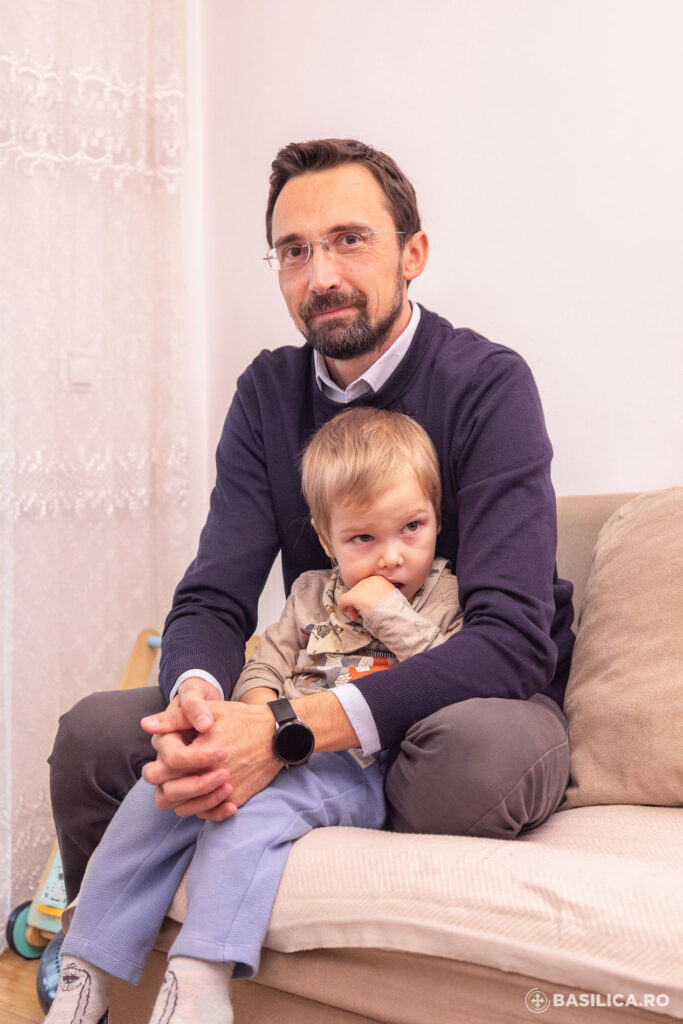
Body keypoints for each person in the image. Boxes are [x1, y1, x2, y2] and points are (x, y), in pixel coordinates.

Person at [49, 138, 574, 909]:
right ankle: (101, 956)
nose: (320, 275)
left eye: (348, 240)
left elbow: (510, 644)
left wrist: (282, 732)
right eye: (293, 251)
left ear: (413, 253)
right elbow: (214, 597)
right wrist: (201, 708)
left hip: (468, 703)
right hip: (315, 675)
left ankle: (297, 799)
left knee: (473, 759)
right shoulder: (267, 393)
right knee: (97, 735)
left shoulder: (488, 384)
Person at [45, 408, 465, 1024]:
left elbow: (444, 671)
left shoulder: (443, 594)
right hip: (278, 737)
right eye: (363, 539)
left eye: (411, 528)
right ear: (326, 539)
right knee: (162, 793)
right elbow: (265, 663)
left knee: (249, 817)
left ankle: (198, 980)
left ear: (436, 517)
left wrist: (383, 610)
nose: (392, 557)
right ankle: (86, 972)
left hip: (355, 764)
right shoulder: (310, 593)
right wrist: (250, 722)